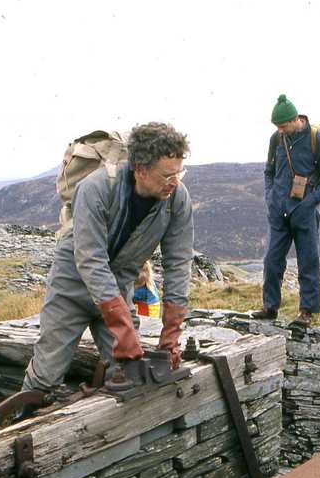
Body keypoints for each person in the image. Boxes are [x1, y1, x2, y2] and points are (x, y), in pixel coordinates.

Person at [23, 122, 193, 395]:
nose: (174, 182)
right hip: (73, 284)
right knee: (46, 375)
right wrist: (121, 325)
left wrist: (171, 334)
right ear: (140, 169)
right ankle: (23, 422)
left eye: (179, 173)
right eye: (166, 176)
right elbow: (90, 261)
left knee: (128, 373)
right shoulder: (96, 188)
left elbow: (179, 264)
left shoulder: (177, 199)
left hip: (118, 285)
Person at [251, 95, 320, 328]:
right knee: (271, 260)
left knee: (308, 261)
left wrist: (309, 203)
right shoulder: (276, 138)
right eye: (277, 127)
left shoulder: (315, 139)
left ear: (295, 119)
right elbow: (268, 171)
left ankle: (306, 311)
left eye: (283, 125)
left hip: (305, 212)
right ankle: (270, 307)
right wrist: (270, 197)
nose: (281, 130)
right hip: (278, 210)